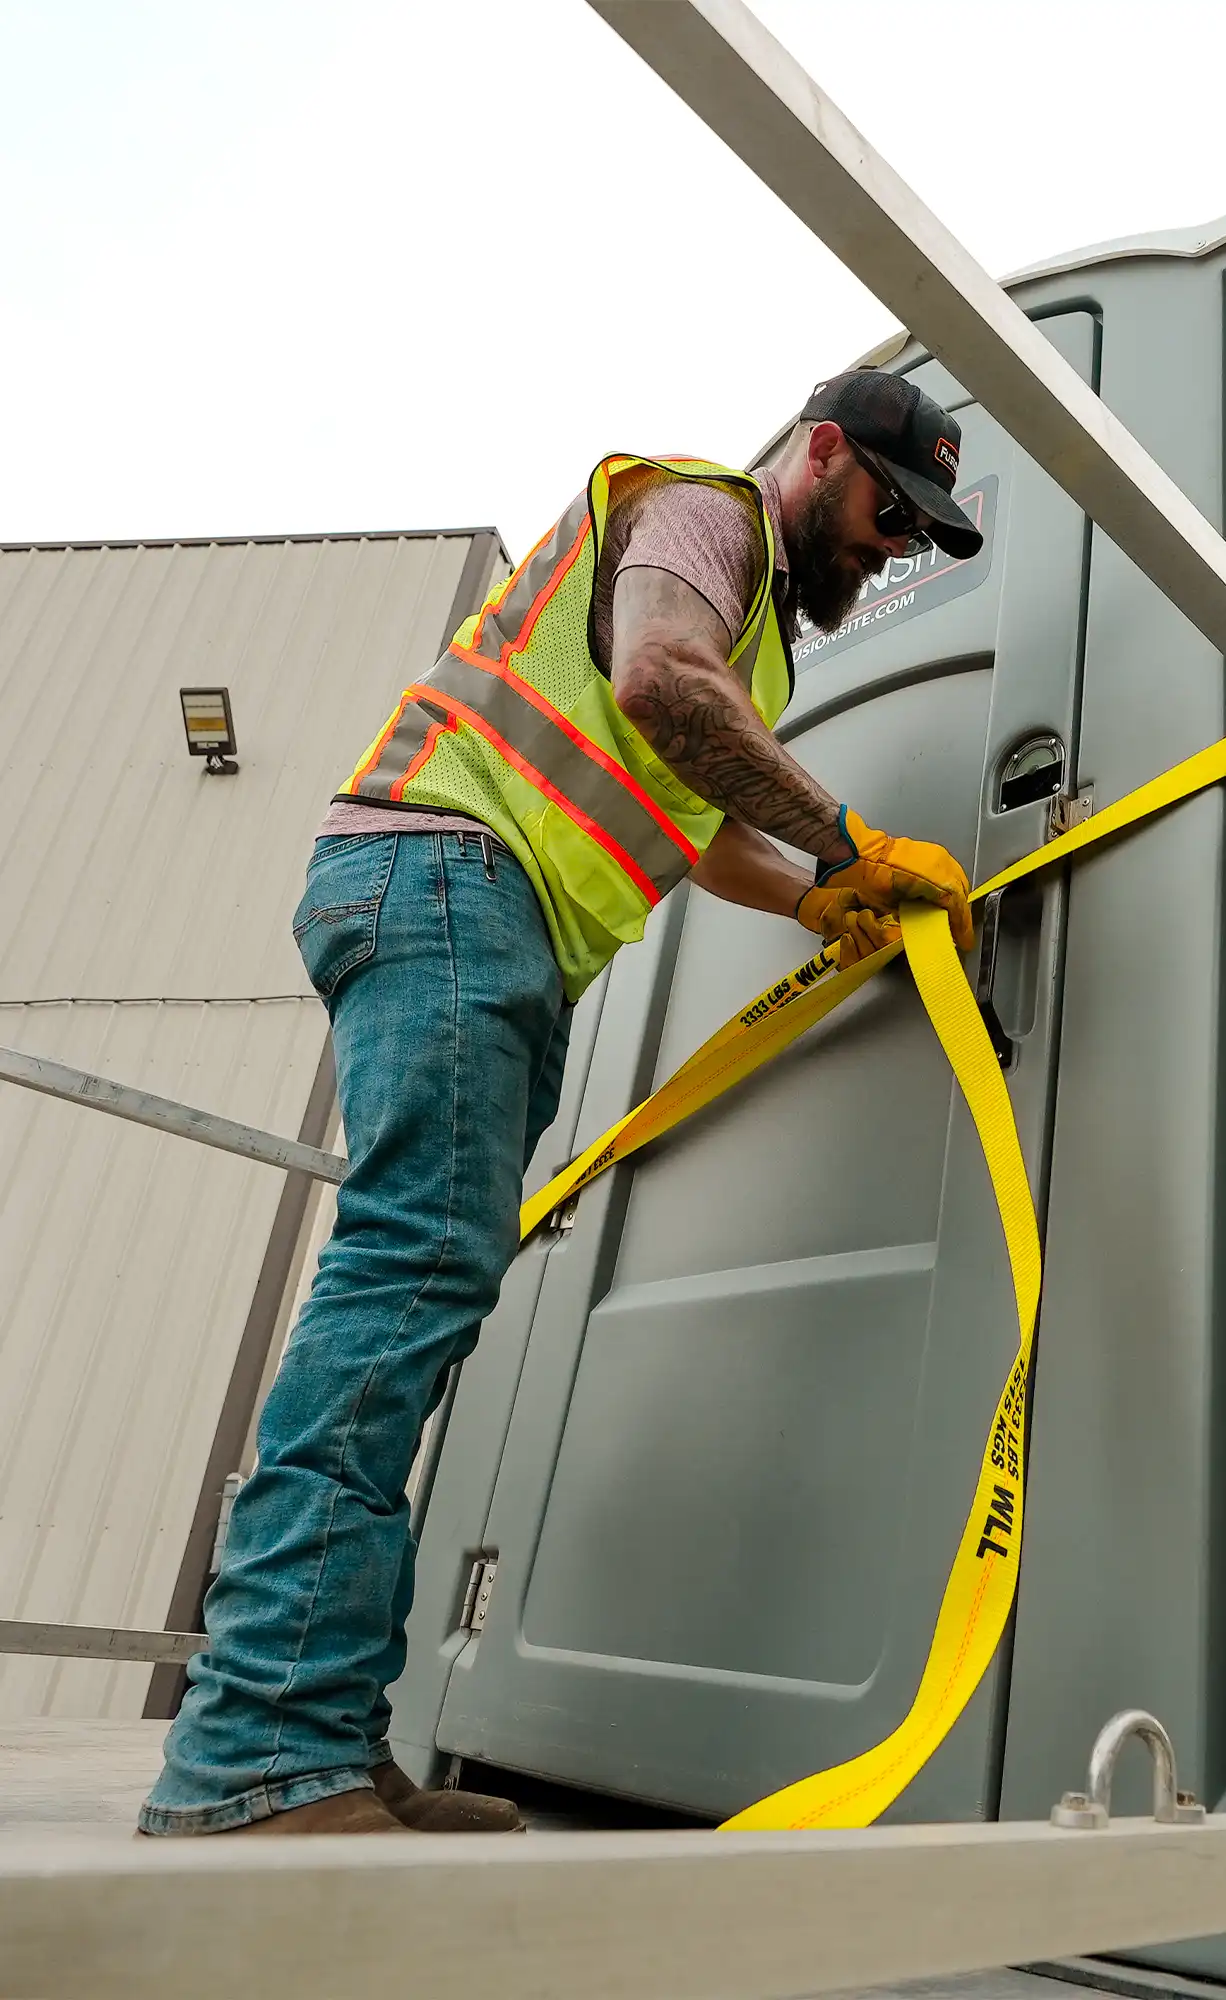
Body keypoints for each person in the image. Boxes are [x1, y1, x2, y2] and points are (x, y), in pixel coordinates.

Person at [139, 371, 984, 1836]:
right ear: (823, 454)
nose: (892, 544)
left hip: (478, 914)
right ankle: (258, 1752)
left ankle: (327, 1735)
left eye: (916, 533)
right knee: (404, 1289)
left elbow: (702, 822)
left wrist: (813, 900)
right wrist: (850, 838)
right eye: (886, 509)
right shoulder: (703, 517)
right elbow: (662, 684)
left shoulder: (761, 655)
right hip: (452, 880)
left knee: (426, 1300)